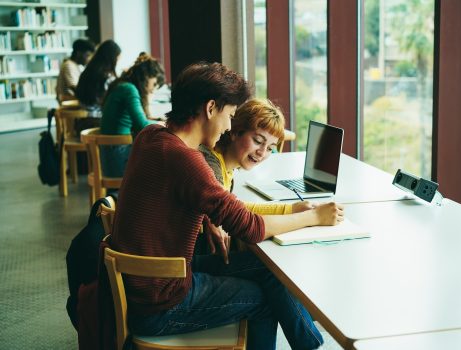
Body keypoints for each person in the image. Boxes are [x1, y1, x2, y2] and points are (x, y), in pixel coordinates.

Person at [111, 61, 344, 350]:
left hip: (151, 282)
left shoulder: (151, 135)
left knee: (266, 271)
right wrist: (314, 217)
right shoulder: (187, 160)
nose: (230, 126)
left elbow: (198, 199)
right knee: (264, 300)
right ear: (211, 108)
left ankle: (310, 345)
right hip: (161, 304)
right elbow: (251, 228)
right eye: (230, 115)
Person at [198, 98, 309, 253]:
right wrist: (311, 217)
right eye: (257, 141)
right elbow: (248, 225)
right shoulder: (211, 166)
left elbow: (238, 209)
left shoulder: (226, 168)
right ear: (235, 132)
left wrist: (291, 209)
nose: (262, 153)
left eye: (270, 148)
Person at [99, 52, 165, 177]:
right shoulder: (129, 89)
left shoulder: (123, 85)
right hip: (118, 156)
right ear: (147, 76)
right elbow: (142, 125)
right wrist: (166, 124)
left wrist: (157, 120)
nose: (153, 89)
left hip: (111, 155)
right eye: (155, 84)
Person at [75, 40, 122, 118]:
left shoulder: (87, 71)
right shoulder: (106, 77)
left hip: (83, 118)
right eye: (117, 60)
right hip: (98, 119)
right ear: (112, 59)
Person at [56, 38, 95, 103]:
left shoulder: (77, 66)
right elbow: (74, 87)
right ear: (78, 53)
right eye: (87, 55)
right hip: (69, 106)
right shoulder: (69, 65)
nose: (88, 59)